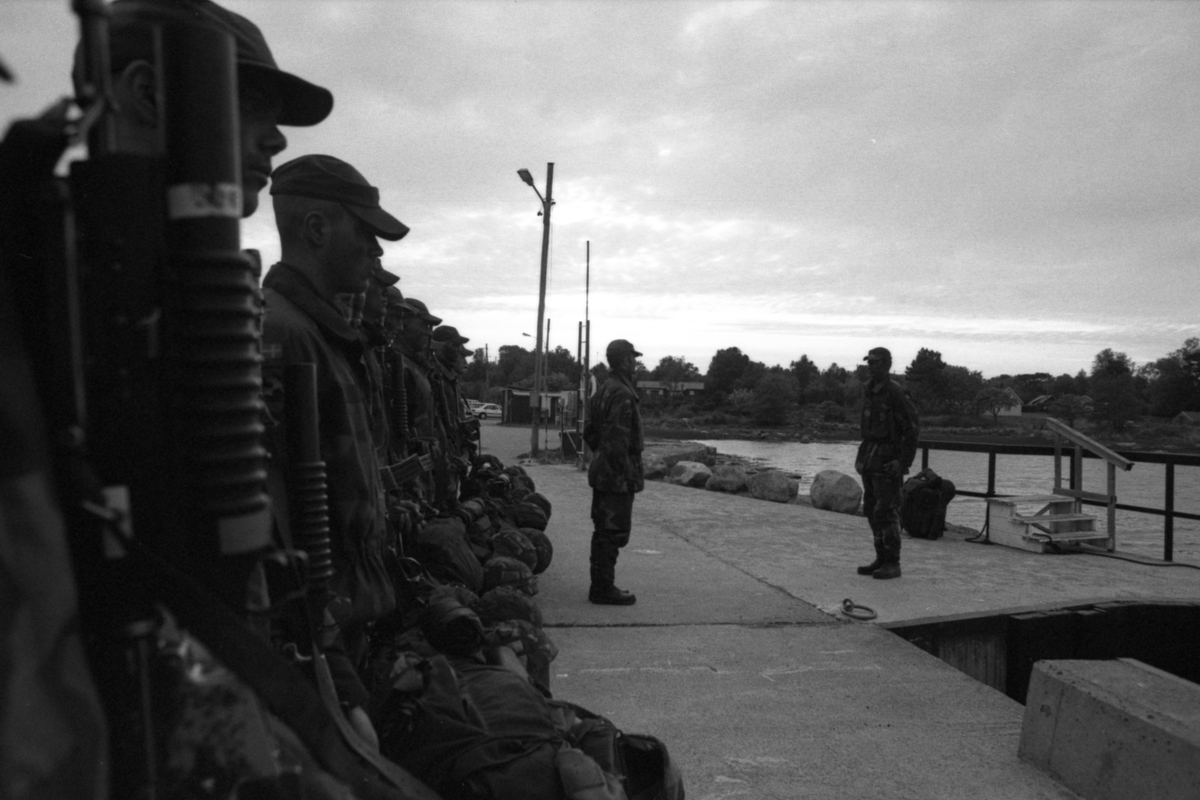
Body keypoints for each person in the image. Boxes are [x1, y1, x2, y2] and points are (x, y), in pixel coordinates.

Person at [260, 153, 408, 735]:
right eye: (364, 233)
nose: (375, 252)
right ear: (317, 229)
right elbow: (278, 526)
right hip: (317, 633)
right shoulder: (282, 334)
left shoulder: (318, 335)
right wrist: (334, 668)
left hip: (344, 615)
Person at [584, 339, 646, 605]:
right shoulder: (621, 392)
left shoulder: (604, 389)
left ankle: (600, 585)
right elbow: (617, 441)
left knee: (603, 532)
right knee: (612, 533)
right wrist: (624, 475)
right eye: (633, 359)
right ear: (625, 360)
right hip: (615, 477)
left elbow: (589, 432)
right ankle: (602, 588)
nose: (636, 363)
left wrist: (600, 456)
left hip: (603, 472)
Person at [854, 347, 919, 580]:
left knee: (887, 510)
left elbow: (911, 429)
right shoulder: (869, 390)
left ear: (887, 364)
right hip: (870, 458)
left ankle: (893, 562)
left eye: (875, 362)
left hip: (888, 459)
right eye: (869, 362)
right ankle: (880, 558)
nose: (871, 366)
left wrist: (902, 462)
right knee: (872, 509)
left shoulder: (895, 392)